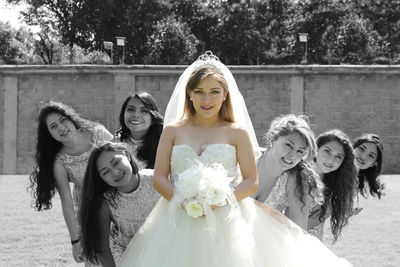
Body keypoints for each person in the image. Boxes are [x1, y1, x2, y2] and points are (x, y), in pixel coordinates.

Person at [119, 51, 352, 267]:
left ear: (225, 94)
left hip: (226, 218)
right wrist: (183, 202)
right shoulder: (172, 130)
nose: (206, 99)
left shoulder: (237, 132)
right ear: (189, 94)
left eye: (214, 92)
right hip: (176, 218)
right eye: (199, 91)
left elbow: (251, 181)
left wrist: (220, 200)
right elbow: (160, 178)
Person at [29, 101, 113, 263]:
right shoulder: (59, 161)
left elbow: (125, 159)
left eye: (63, 120)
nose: (61, 127)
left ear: (71, 118)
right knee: (97, 260)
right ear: (49, 134)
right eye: (53, 126)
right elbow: (67, 202)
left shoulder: (98, 133)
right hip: (90, 210)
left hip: (120, 200)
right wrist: (75, 241)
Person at [80, 142, 160, 266]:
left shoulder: (156, 179)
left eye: (116, 162)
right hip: (129, 254)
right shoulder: (106, 202)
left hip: (165, 244)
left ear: (126, 155)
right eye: (105, 172)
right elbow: (101, 248)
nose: (115, 173)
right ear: (101, 178)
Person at [253, 114, 324, 229]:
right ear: (273, 138)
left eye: (300, 151)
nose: (292, 155)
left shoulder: (296, 182)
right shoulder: (245, 157)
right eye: (288, 145)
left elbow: (297, 230)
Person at [307, 130, 358, 241]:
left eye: (338, 157)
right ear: (316, 148)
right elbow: (295, 224)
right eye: (327, 151)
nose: (331, 160)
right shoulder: (300, 176)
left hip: (314, 244)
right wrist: (329, 210)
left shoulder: (331, 184)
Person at [114, 92, 163, 169]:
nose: (136, 115)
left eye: (144, 111)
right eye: (131, 109)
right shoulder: (115, 143)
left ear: (153, 117)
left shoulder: (164, 145)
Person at [353, 133, 384, 199]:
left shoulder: (357, 181)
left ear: (372, 164)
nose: (363, 156)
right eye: (361, 149)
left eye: (371, 155)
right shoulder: (332, 170)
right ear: (353, 147)